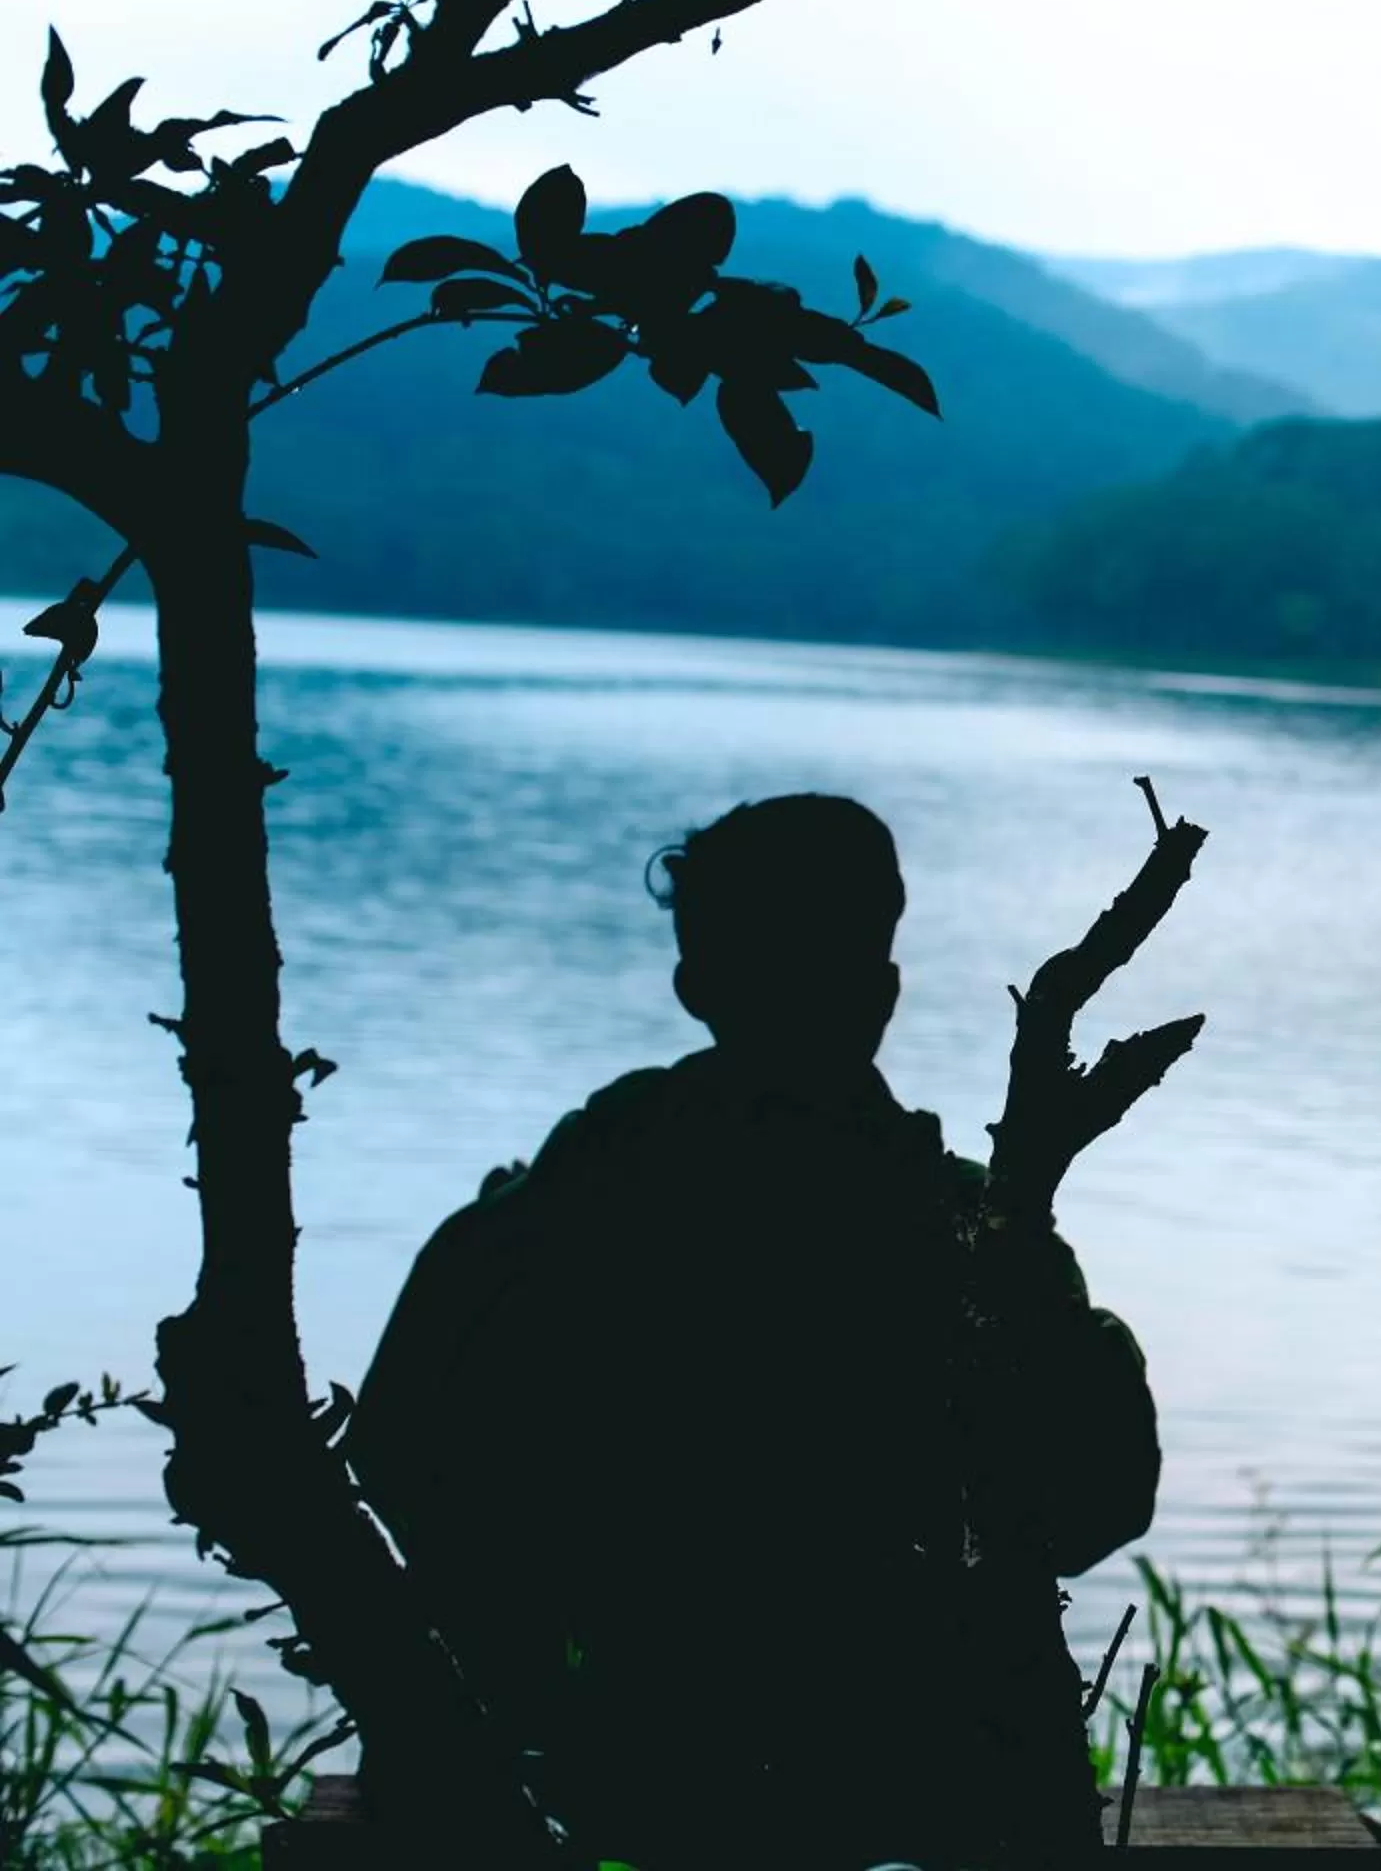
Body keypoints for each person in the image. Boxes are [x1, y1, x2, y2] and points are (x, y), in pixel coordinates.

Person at [346, 793, 1159, 1869]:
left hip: (617, 1768)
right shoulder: (970, 1227)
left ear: (695, 987)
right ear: (884, 989)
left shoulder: (577, 1193)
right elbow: (1104, 1491)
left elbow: (397, 1441)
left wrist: (527, 1656)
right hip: (919, 1783)